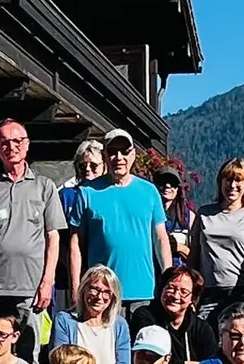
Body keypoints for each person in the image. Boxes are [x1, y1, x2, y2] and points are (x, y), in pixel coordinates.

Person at [0, 119, 66, 361]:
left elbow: (53, 236)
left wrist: (47, 282)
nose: (11, 146)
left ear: (27, 144)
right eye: (4, 142)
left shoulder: (44, 186)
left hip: (30, 289)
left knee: (26, 352)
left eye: (17, 141)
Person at [66, 129, 172, 316]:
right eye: (112, 152)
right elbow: (76, 245)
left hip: (144, 294)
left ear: (133, 155)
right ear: (105, 156)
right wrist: (75, 289)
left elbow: (161, 239)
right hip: (102, 294)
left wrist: (168, 280)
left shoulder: (149, 192)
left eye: (124, 152)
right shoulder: (86, 192)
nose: (118, 157)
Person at [190, 158, 244, 321]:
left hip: (243, 291)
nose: (232, 186)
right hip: (209, 292)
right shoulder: (204, 213)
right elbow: (194, 254)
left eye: (238, 180)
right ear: (220, 183)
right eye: (228, 180)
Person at [129, 266, 216, 364]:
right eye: (170, 288)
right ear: (161, 289)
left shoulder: (201, 328)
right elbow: (149, 362)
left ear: (192, 298)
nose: (175, 296)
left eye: (183, 292)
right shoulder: (145, 317)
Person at [50, 266, 131, 364]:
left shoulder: (119, 324)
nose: (99, 297)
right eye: (94, 289)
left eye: (106, 292)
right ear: (84, 290)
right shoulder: (64, 320)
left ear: (113, 297)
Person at [58, 139, 105, 312]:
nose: (87, 170)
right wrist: (75, 269)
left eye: (93, 165)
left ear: (104, 165)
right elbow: (57, 238)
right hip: (67, 277)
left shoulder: (109, 196)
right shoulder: (66, 196)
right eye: (82, 165)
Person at [153, 167, 194, 264]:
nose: (167, 186)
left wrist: (179, 248)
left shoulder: (189, 217)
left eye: (172, 183)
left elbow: (197, 255)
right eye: (163, 182)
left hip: (179, 274)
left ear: (178, 188)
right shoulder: (147, 215)